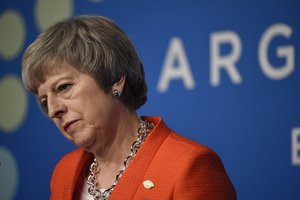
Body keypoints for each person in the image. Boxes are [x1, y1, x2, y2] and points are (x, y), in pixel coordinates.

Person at [22, 15, 236, 200]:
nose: (52, 110)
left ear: (115, 79)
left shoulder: (189, 167)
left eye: (63, 87)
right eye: (44, 101)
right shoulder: (64, 172)